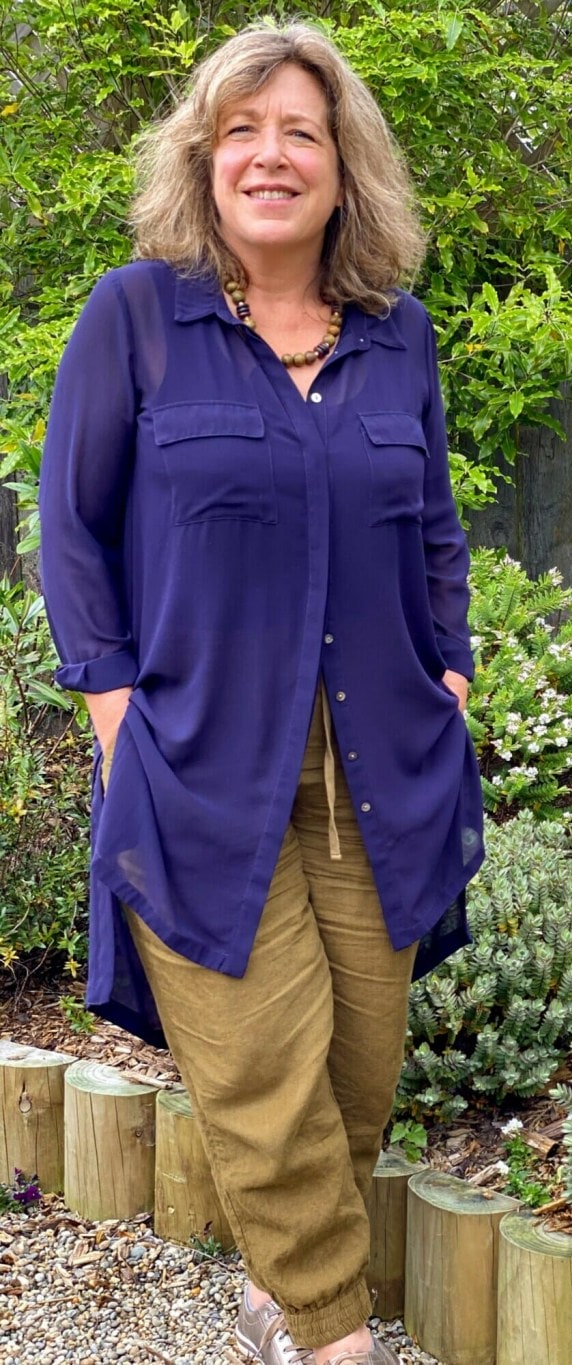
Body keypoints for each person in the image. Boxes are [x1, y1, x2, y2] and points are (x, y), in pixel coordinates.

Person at [39, 22, 484, 1365]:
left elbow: (437, 530)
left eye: (301, 131)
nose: (270, 155)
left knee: (357, 1067)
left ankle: (279, 1289)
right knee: (259, 1066)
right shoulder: (135, 316)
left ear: (343, 169)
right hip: (197, 765)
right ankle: (334, 1338)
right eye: (243, 130)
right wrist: (118, 722)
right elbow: (72, 533)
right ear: (205, 158)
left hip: (381, 768)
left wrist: (452, 667)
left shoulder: (396, 339)